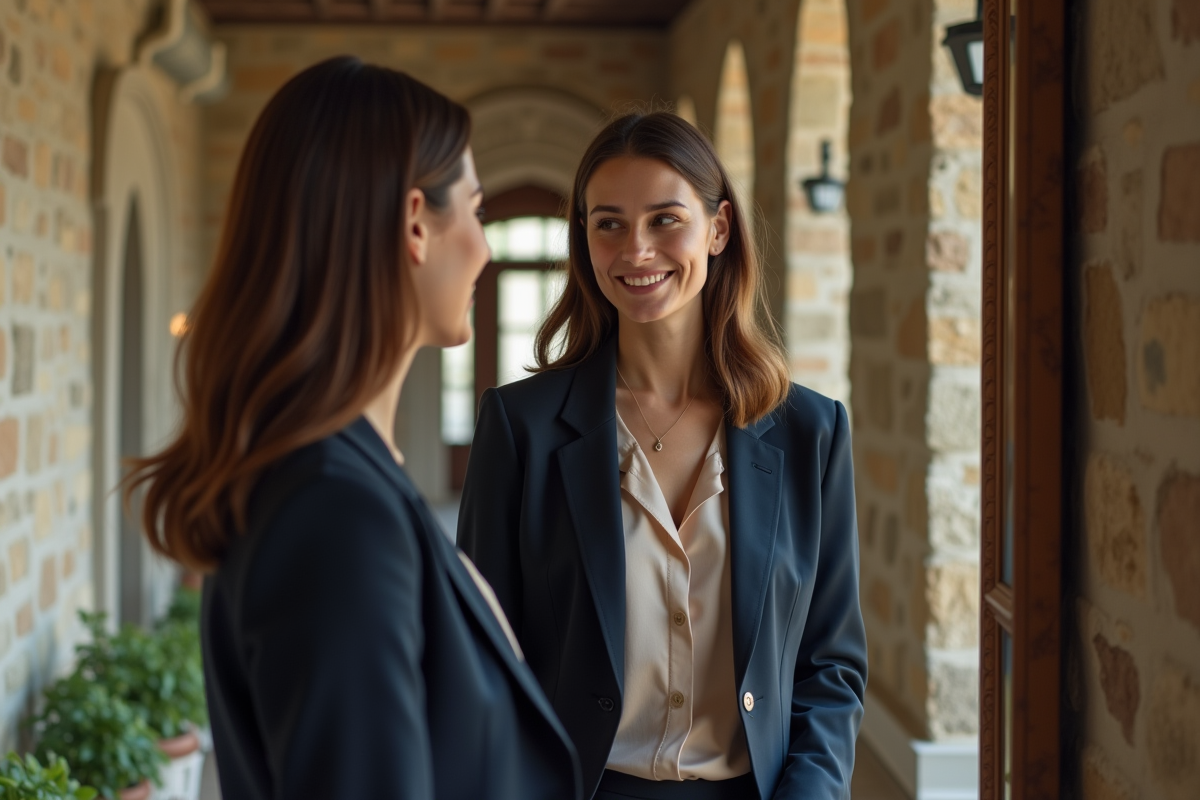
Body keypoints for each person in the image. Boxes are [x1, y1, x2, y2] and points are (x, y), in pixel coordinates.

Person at [125, 56, 581, 800]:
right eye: (473, 209)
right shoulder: (335, 512)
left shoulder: (343, 477)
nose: (486, 247)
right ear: (414, 225)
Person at [458, 112, 867, 800]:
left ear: (719, 229)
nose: (636, 250)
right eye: (608, 223)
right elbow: (483, 663)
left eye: (664, 219)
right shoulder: (520, 427)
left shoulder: (810, 432)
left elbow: (830, 664)